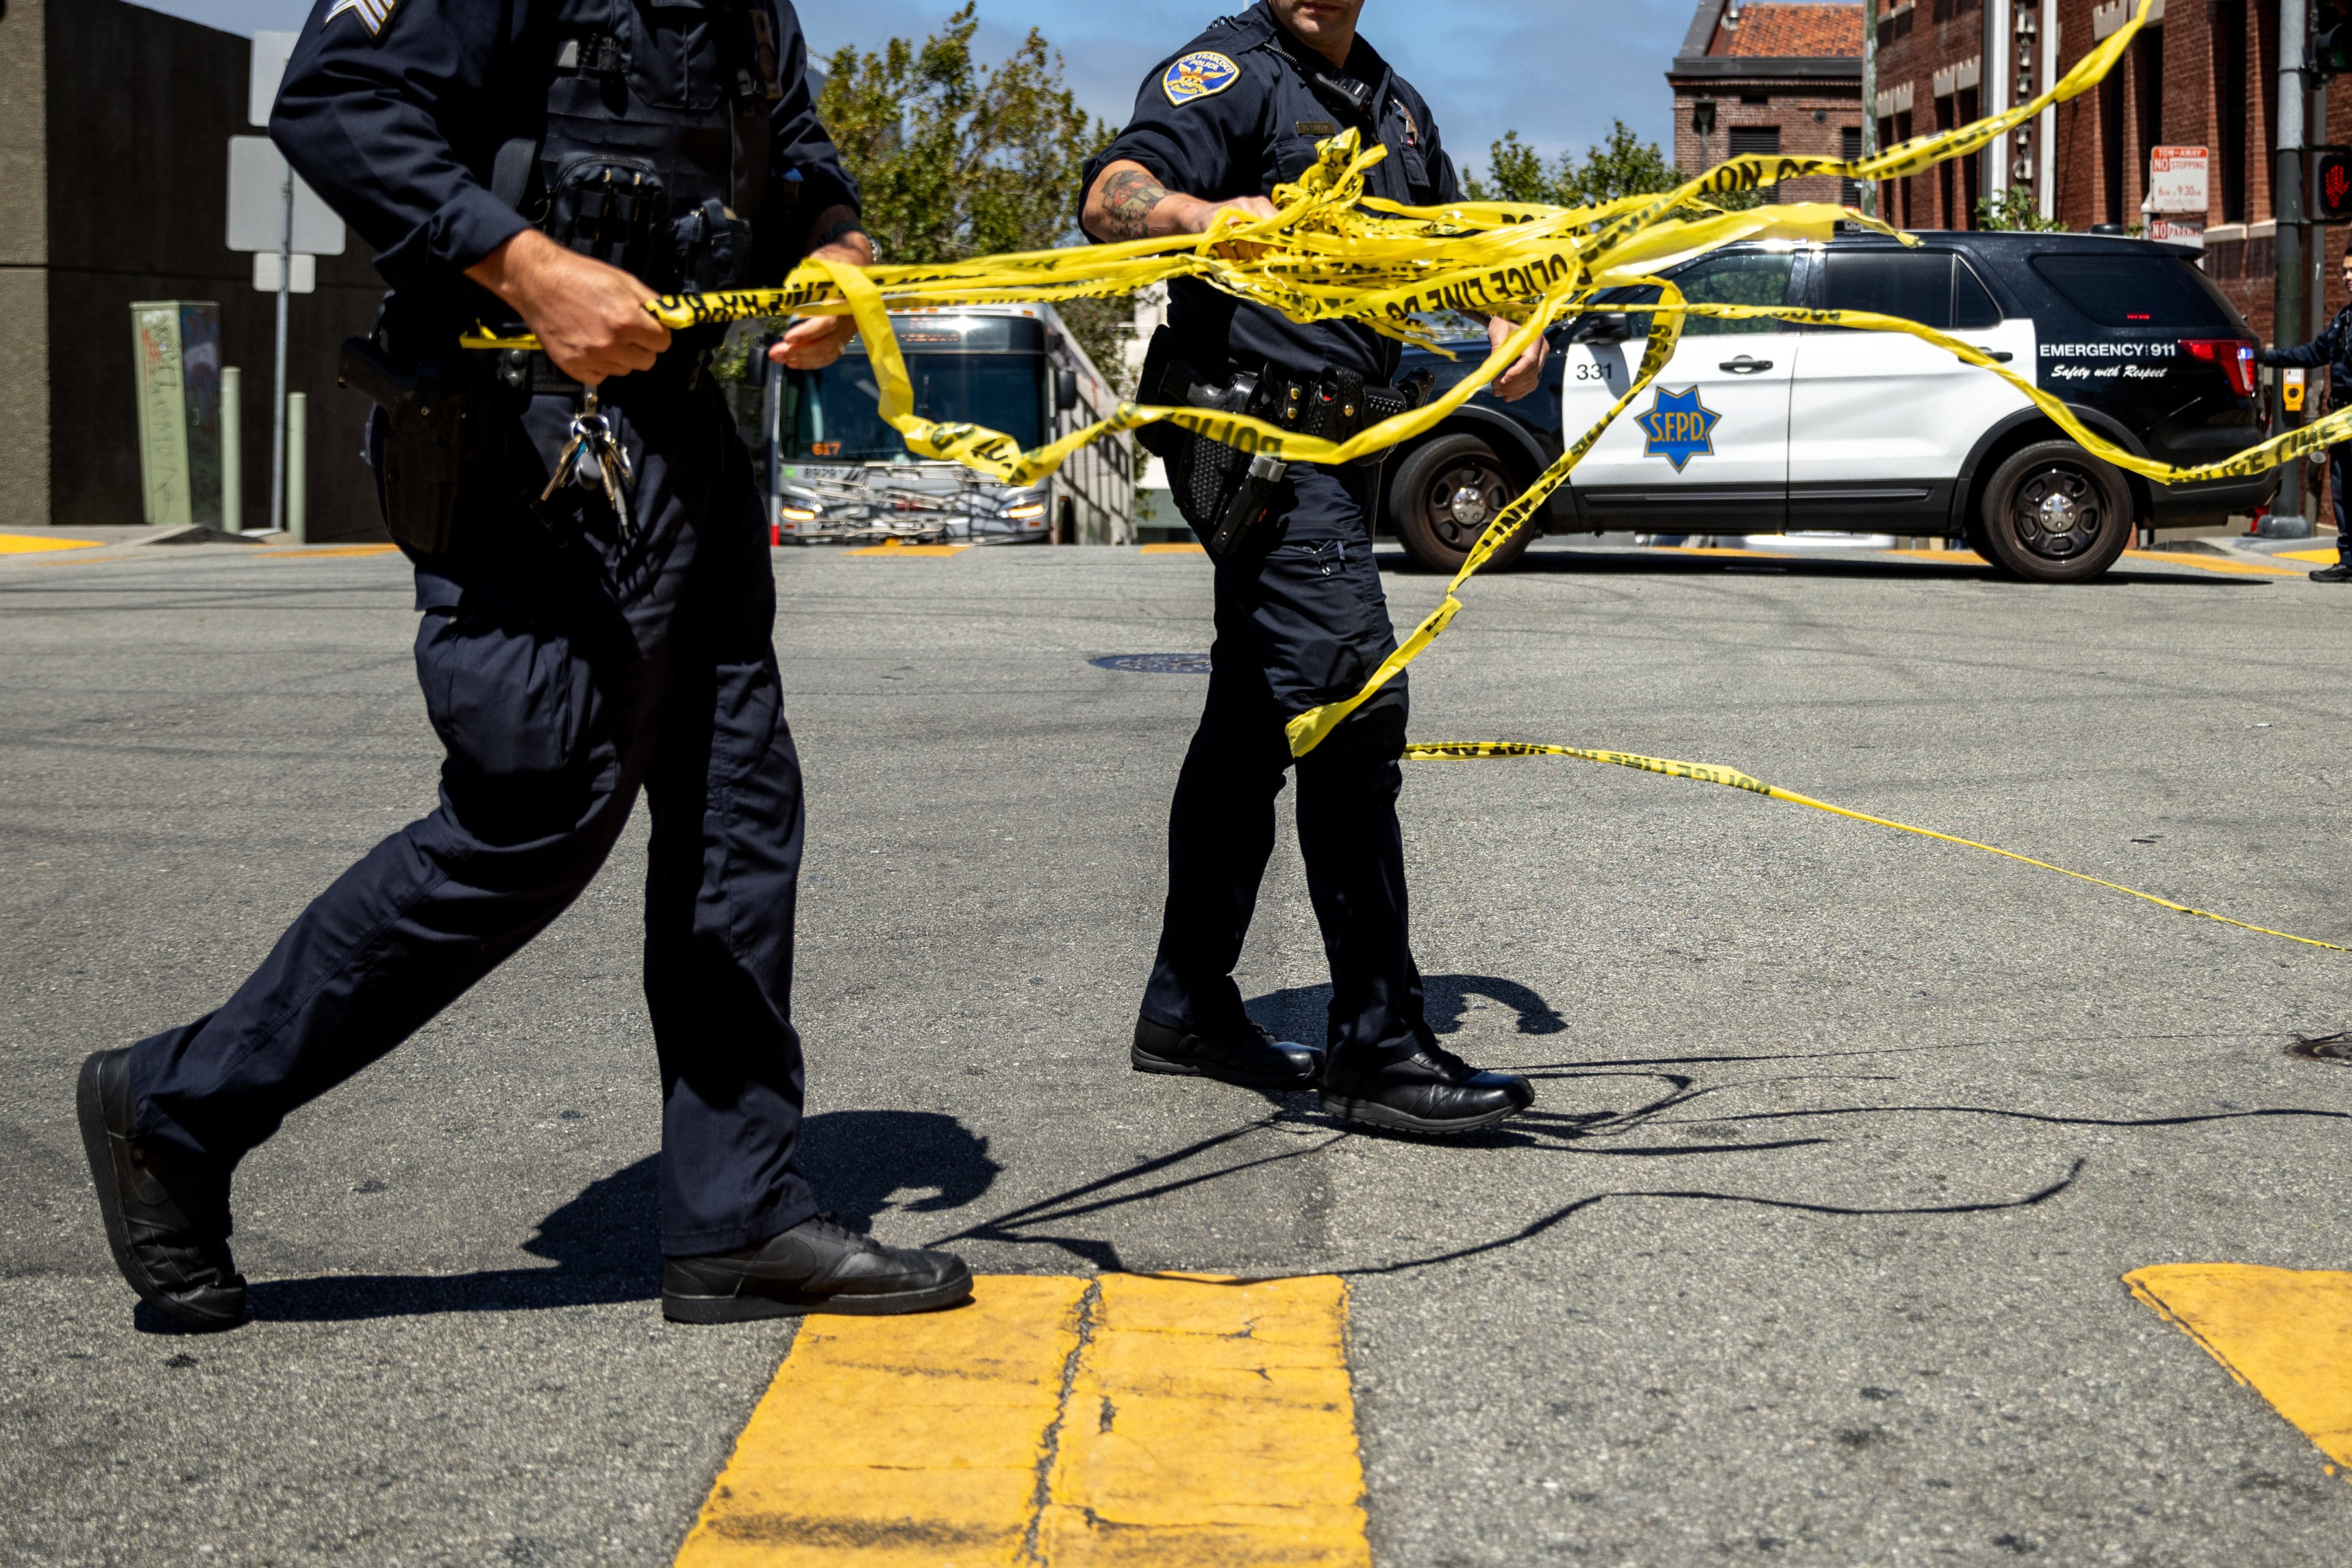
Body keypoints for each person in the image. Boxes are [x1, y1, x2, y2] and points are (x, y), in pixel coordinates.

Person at [75, 0, 970, 1332]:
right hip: (525, 435)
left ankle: (738, 1211)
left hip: (683, 442)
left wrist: (836, 250)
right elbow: (335, 103)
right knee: (533, 813)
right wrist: (529, 265)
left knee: (739, 815)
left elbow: (791, 154)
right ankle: (176, 1104)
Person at [1080, 0, 1544, 1134]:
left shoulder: (1396, 109)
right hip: (1254, 442)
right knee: (1351, 704)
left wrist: (1515, 306)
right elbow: (1111, 197)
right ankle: (1376, 1043)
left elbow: (1451, 247)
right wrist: (1202, 215)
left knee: (1251, 726)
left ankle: (1186, 1005)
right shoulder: (1228, 75)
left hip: (1341, 440)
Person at [2258, 248, 2352, 582]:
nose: (2347, 277)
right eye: (2344, 271)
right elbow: (2314, 353)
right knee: (2342, 490)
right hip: (2340, 423)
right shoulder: (2343, 319)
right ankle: (2348, 561)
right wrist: (2266, 358)